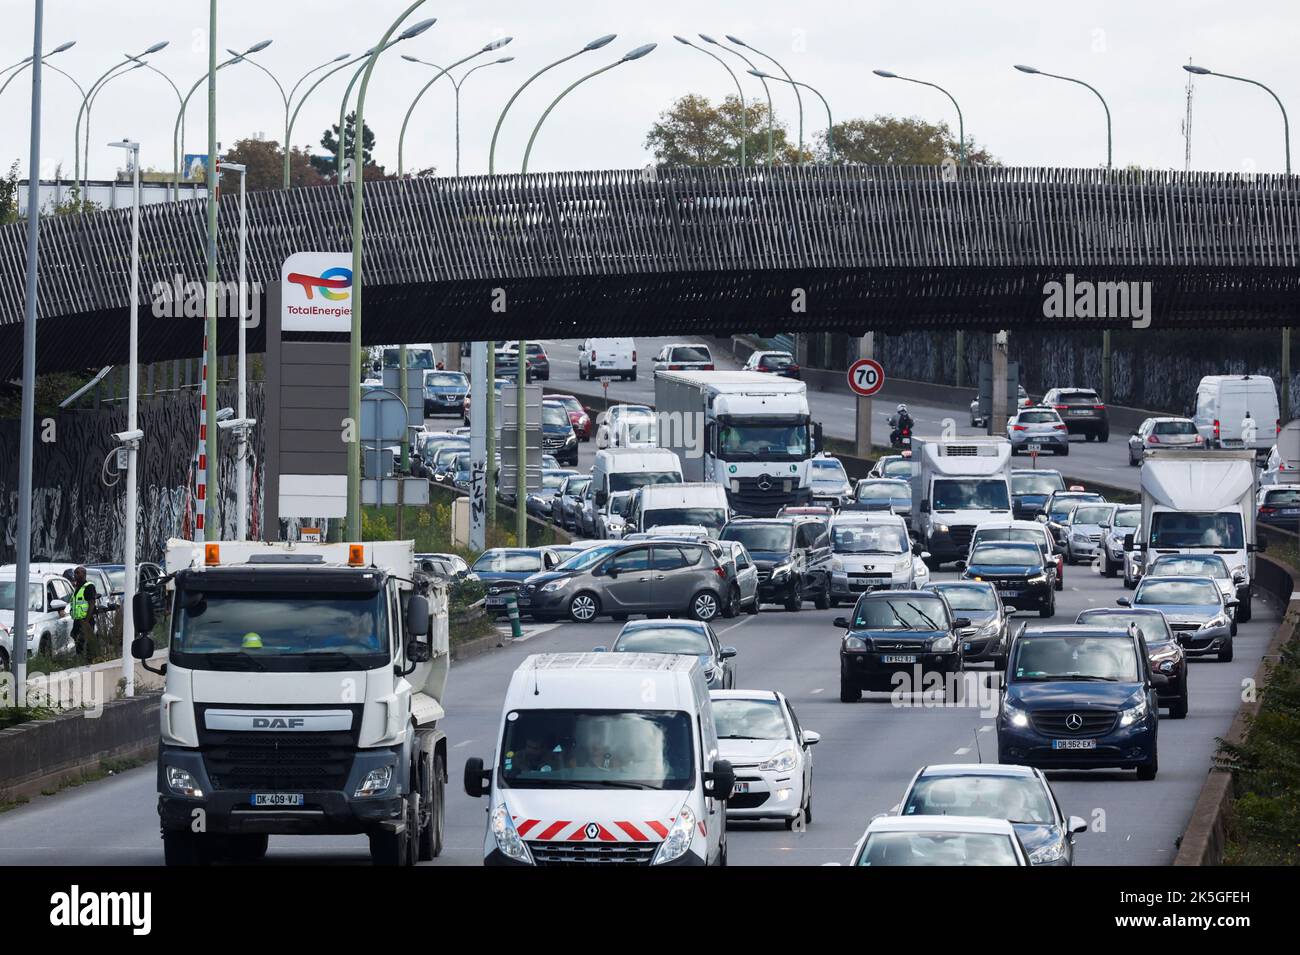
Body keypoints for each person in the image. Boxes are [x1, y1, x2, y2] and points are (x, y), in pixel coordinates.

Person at [69, 566, 98, 657]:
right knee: (77, 639)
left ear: (84, 574)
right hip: (77, 620)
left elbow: (91, 604)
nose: (75, 575)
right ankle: (80, 659)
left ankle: (90, 660)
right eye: (75, 573)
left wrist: (86, 621)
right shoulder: (77, 587)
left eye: (78, 573)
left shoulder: (89, 586)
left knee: (87, 642)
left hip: (86, 621)